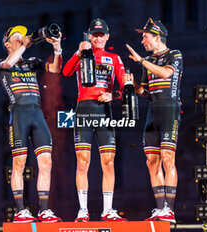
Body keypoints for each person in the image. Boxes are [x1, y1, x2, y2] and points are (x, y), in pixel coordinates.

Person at [0, 25, 63, 223]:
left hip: (37, 114)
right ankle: (20, 210)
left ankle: (44, 210)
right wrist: (24, 46)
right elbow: (9, 63)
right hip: (19, 114)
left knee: (46, 162)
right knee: (19, 163)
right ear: (7, 44)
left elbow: (55, 69)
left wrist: (57, 48)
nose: (22, 39)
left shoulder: (32, 62)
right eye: (17, 37)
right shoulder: (2, 62)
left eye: (23, 37)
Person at [63, 18, 126, 222]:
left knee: (108, 162)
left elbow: (126, 87)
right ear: (89, 36)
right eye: (94, 35)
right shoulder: (83, 55)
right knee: (83, 162)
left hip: (105, 112)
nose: (98, 38)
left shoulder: (114, 58)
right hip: (84, 109)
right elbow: (66, 72)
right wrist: (77, 52)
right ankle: (83, 210)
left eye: (102, 35)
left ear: (107, 36)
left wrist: (113, 95)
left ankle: (108, 210)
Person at [125, 18, 183, 224]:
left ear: (157, 36)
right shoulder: (147, 61)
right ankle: (160, 209)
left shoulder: (174, 54)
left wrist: (141, 61)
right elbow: (145, 91)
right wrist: (132, 84)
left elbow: (166, 74)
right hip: (152, 111)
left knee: (168, 157)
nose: (142, 41)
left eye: (145, 36)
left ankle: (170, 209)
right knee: (151, 161)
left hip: (169, 110)